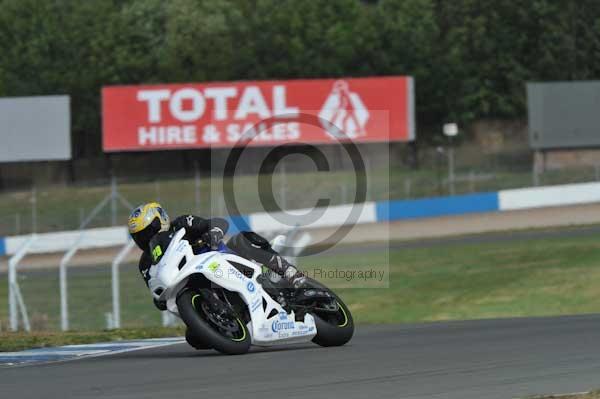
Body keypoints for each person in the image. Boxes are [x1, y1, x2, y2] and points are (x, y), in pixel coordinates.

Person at [127, 202, 306, 310]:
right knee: (195, 340)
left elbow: (217, 223)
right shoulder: (145, 263)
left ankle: (289, 272)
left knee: (242, 239)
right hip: (192, 284)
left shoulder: (181, 224)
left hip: (224, 260)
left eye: (149, 230)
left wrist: (213, 233)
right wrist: (159, 300)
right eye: (140, 236)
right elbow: (156, 291)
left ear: (161, 219)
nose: (147, 237)